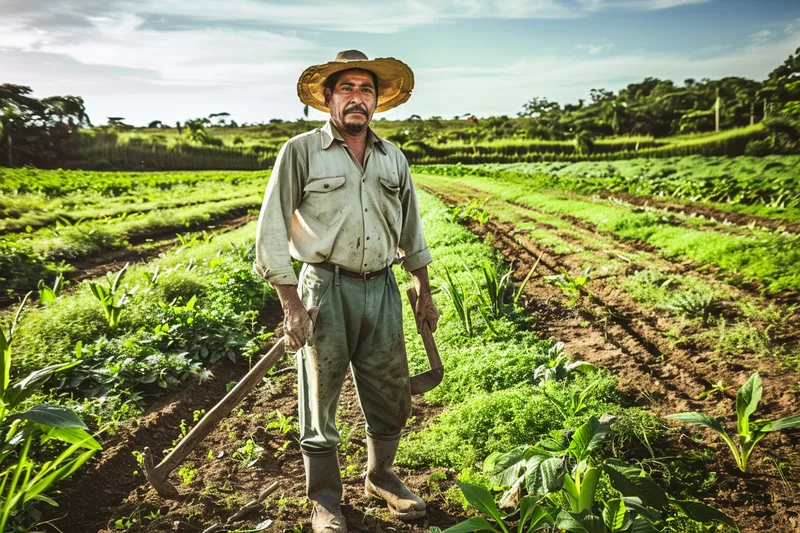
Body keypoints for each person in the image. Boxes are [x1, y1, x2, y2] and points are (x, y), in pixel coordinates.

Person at [253, 49, 440, 532]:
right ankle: (325, 501)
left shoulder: (392, 156)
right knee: (321, 396)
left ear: (376, 100)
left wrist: (423, 285)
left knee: (390, 390)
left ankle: (380, 475)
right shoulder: (301, 151)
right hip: (325, 288)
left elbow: (410, 227)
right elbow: (273, 226)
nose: (357, 98)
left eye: (366, 89)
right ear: (329, 99)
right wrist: (290, 302)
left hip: (382, 288)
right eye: (347, 89)